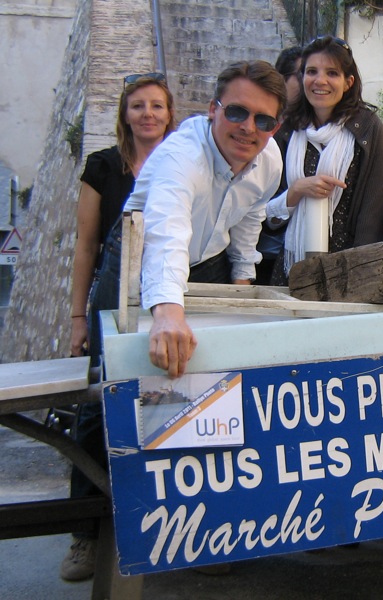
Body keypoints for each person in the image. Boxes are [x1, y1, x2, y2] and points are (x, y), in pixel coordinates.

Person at [62, 72, 176, 582]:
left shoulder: (180, 163)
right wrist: (77, 318)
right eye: (138, 105)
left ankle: (172, 527)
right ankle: (85, 535)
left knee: (169, 400)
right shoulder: (104, 167)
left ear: (170, 115)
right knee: (95, 407)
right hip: (112, 295)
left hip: (166, 295)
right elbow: (87, 245)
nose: (147, 114)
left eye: (157, 105)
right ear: (125, 114)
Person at [121, 60, 285, 379]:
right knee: (121, 372)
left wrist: (242, 279)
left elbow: (250, 215)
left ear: (275, 128)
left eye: (263, 120)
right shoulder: (181, 156)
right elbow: (166, 230)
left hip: (210, 264)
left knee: (215, 373)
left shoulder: (270, 160)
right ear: (213, 109)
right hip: (140, 266)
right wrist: (168, 311)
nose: (249, 127)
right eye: (236, 112)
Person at [262, 36, 383, 285]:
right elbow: (265, 216)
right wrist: (296, 191)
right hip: (292, 266)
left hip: (346, 269)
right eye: (312, 71)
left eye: (332, 73)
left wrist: (360, 273)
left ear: (348, 82)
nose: (320, 81)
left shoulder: (367, 128)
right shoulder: (289, 131)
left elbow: (373, 209)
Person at [254, 45, 302, 285]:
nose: (313, 81)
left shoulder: (311, 132)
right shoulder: (259, 130)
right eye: (304, 74)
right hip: (261, 253)